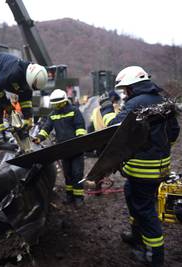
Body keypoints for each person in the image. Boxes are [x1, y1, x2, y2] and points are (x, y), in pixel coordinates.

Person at [100, 66, 180, 267]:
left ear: (132, 87)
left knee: (145, 211)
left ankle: (155, 257)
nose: (124, 93)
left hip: (142, 171)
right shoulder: (163, 100)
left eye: (125, 88)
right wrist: (162, 150)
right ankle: (136, 238)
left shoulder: (135, 103)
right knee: (132, 197)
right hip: (159, 169)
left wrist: (106, 108)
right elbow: (174, 131)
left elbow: (113, 129)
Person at [0, 52, 48, 147]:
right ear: (30, 79)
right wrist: (6, 105)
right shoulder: (13, 72)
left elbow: (25, 98)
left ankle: (7, 135)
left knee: (10, 104)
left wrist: (28, 118)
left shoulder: (27, 77)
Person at [33, 89, 87, 206]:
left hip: (76, 149)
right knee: (67, 174)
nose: (56, 106)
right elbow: (46, 128)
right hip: (64, 151)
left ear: (64, 101)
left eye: (58, 104)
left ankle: (79, 197)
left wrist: (80, 139)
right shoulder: (53, 115)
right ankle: (69, 196)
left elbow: (80, 127)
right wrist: (39, 138)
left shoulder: (74, 111)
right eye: (54, 104)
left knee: (77, 173)